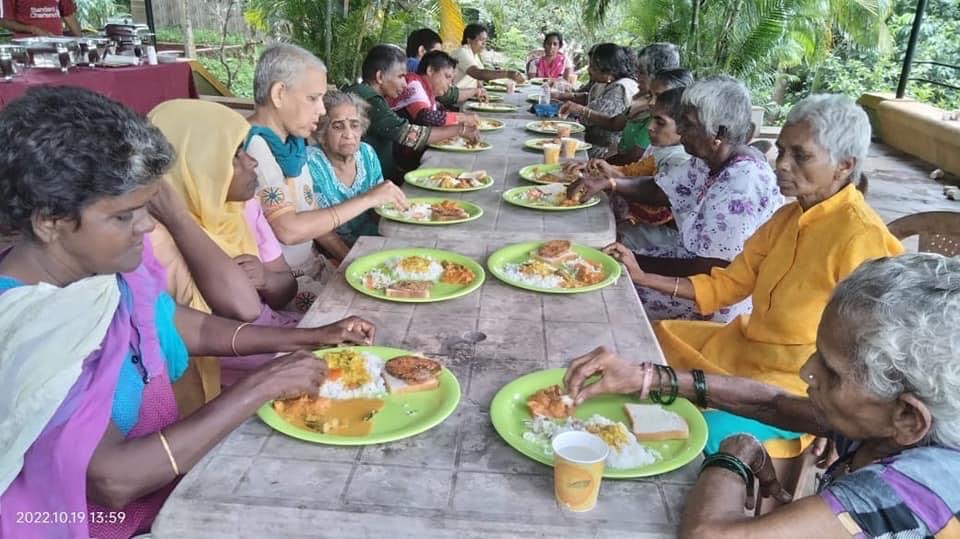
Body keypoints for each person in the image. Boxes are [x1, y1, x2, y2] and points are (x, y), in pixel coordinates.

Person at [0, 86, 376, 539]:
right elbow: (111, 480)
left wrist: (310, 337)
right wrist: (263, 384)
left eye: (146, 208)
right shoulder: (24, 328)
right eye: (124, 216)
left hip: (169, 496)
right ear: (50, 220)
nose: (146, 225)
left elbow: (184, 325)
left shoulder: (106, 273)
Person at [564, 253, 960, 537]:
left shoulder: (917, 488)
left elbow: (709, 536)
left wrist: (732, 456)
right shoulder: (885, 418)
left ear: (910, 418)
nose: (807, 372)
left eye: (832, 372)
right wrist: (646, 377)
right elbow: (773, 403)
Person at [604, 93, 905, 457]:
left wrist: (839, 416)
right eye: (781, 150)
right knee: (641, 340)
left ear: (844, 165)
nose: (782, 164)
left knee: (693, 436)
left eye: (801, 155)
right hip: (743, 350)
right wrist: (643, 276)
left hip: (793, 385)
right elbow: (729, 284)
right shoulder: (786, 219)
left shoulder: (863, 238)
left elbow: (881, 348)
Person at [569, 76, 782, 324]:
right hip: (688, 262)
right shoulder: (710, 159)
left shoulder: (741, 185)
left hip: (713, 298)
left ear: (719, 132)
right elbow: (663, 189)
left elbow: (711, 269)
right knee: (596, 258)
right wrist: (610, 183)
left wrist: (636, 264)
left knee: (606, 285)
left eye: (688, 125)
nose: (680, 131)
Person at [245, 44, 353, 279]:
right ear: (279, 94)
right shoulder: (252, 147)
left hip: (314, 267)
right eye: (313, 98)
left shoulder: (293, 144)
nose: (322, 110)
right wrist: (369, 199)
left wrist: (352, 263)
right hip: (285, 284)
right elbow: (289, 230)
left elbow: (317, 224)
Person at [344, 44, 479, 183]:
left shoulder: (363, 93)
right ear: (380, 77)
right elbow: (408, 134)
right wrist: (459, 130)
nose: (404, 83)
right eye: (401, 76)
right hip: (376, 182)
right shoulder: (370, 100)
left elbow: (451, 96)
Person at [309, 90, 409, 247]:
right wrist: (348, 259)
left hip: (371, 239)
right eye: (338, 126)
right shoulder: (310, 163)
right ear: (322, 131)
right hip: (333, 251)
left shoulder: (366, 153)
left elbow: (379, 209)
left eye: (354, 125)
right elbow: (321, 232)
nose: (349, 135)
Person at [560, 43, 681, 160]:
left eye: (641, 72)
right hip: (616, 158)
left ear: (656, 76)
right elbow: (614, 123)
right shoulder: (642, 100)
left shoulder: (660, 111)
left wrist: (597, 165)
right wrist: (580, 109)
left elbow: (634, 157)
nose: (637, 77)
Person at [554, 43, 639, 157]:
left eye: (594, 67)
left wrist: (578, 109)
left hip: (605, 150)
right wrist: (561, 97)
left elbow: (608, 121)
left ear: (608, 72)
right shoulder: (606, 82)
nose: (589, 70)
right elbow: (589, 97)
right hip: (591, 140)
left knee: (559, 149)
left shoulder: (620, 88)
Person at [391, 50, 480, 128]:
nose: (450, 85)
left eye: (452, 81)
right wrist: (462, 118)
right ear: (430, 70)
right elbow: (425, 116)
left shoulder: (428, 93)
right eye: (447, 77)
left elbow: (440, 112)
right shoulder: (414, 82)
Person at [404, 28, 485, 106]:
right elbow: (447, 96)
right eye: (436, 53)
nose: (439, 58)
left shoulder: (408, 64)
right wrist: (475, 91)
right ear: (422, 50)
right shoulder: (415, 67)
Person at [451, 23, 525, 89]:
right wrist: (508, 74)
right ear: (469, 40)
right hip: (457, 99)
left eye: (485, 40)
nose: (484, 43)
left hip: (470, 96)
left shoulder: (474, 55)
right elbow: (478, 73)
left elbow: (479, 81)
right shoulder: (462, 52)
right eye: (481, 40)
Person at [0, 0, 80, 37]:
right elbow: (4, 21)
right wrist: (33, 29)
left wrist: (82, 41)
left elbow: (69, 15)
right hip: (27, 50)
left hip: (57, 48)